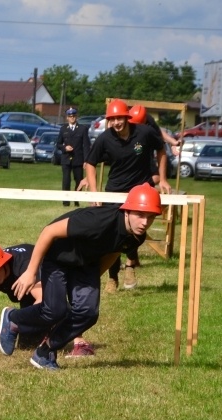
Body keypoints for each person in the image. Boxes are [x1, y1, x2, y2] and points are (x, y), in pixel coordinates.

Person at [0, 184, 162, 370]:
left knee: (88, 313)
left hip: (86, 264)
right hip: (59, 257)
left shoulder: (136, 236)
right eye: (140, 215)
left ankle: (45, 352)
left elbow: (113, 253)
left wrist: (91, 281)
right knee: (55, 310)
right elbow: (49, 231)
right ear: (127, 211)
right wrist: (31, 271)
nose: (144, 222)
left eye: (150, 217)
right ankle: (13, 319)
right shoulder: (97, 220)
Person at [81, 99, 170, 293]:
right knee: (114, 234)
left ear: (127, 117)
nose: (116, 123)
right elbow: (90, 163)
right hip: (115, 191)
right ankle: (112, 277)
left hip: (140, 191)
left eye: (119, 118)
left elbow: (161, 149)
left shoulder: (144, 133)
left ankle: (130, 265)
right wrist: (95, 192)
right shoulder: (105, 138)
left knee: (136, 231)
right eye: (112, 119)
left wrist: (162, 179)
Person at [0, 242, 95, 357]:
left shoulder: (22, 265)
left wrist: (14, 321)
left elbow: (44, 300)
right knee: (27, 345)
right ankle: (46, 332)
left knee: (57, 306)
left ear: (3, 262)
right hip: (27, 294)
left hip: (50, 277)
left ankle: (79, 341)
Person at [56, 107, 91, 207]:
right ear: (67, 118)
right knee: (66, 180)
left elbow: (86, 145)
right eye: (70, 116)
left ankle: (76, 200)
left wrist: (86, 160)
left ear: (76, 117)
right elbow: (58, 144)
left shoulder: (82, 129)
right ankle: (66, 202)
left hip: (78, 159)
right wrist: (64, 148)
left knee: (78, 180)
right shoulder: (63, 129)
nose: (72, 118)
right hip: (66, 159)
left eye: (74, 116)